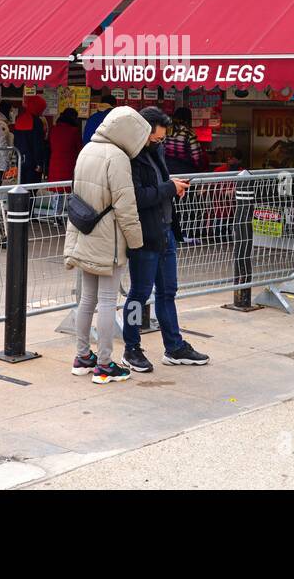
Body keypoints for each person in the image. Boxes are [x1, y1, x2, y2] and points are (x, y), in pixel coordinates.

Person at [121, 107, 210, 372]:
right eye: (157, 139)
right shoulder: (131, 156)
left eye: (162, 139)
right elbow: (136, 197)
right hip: (145, 235)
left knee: (168, 291)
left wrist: (171, 184)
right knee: (139, 293)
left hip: (166, 230)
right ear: (143, 132)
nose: (160, 143)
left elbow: (157, 186)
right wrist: (169, 187)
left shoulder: (155, 150)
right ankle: (131, 347)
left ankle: (174, 346)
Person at [65, 105, 148, 384]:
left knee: (87, 299)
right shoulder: (118, 157)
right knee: (108, 301)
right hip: (109, 239)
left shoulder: (86, 150)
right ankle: (104, 364)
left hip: (85, 232)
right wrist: (136, 242)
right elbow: (126, 206)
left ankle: (82, 357)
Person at [13, 94, 49, 184]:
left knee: (22, 187)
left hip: (20, 159)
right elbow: (37, 144)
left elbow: (15, 141)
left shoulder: (19, 119)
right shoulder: (36, 122)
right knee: (32, 189)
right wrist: (39, 163)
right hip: (32, 162)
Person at [162, 107, 206, 175]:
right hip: (185, 173)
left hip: (166, 171)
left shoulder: (165, 131)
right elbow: (197, 157)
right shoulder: (188, 134)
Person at [47, 108, 83, 182]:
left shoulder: (53, 129)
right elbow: (79, 148)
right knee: (67, 186)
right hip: (69, 163)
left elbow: (49, 145)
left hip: (54, 162)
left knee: (56, 187)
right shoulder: (74, 131)